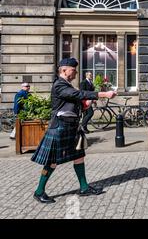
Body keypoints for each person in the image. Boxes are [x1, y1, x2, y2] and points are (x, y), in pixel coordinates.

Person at [30, 58, 117, 204]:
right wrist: (103, 94)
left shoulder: (67, 85)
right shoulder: (59, 85)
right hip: (59, 128)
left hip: (72, 127)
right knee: (52, 162)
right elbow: (77, 94)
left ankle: (84, 188)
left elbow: (75, 103)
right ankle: (39, 192)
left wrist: (85, 105)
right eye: (73, 70)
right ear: (64, 70)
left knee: (79, 156)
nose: (76, 72)